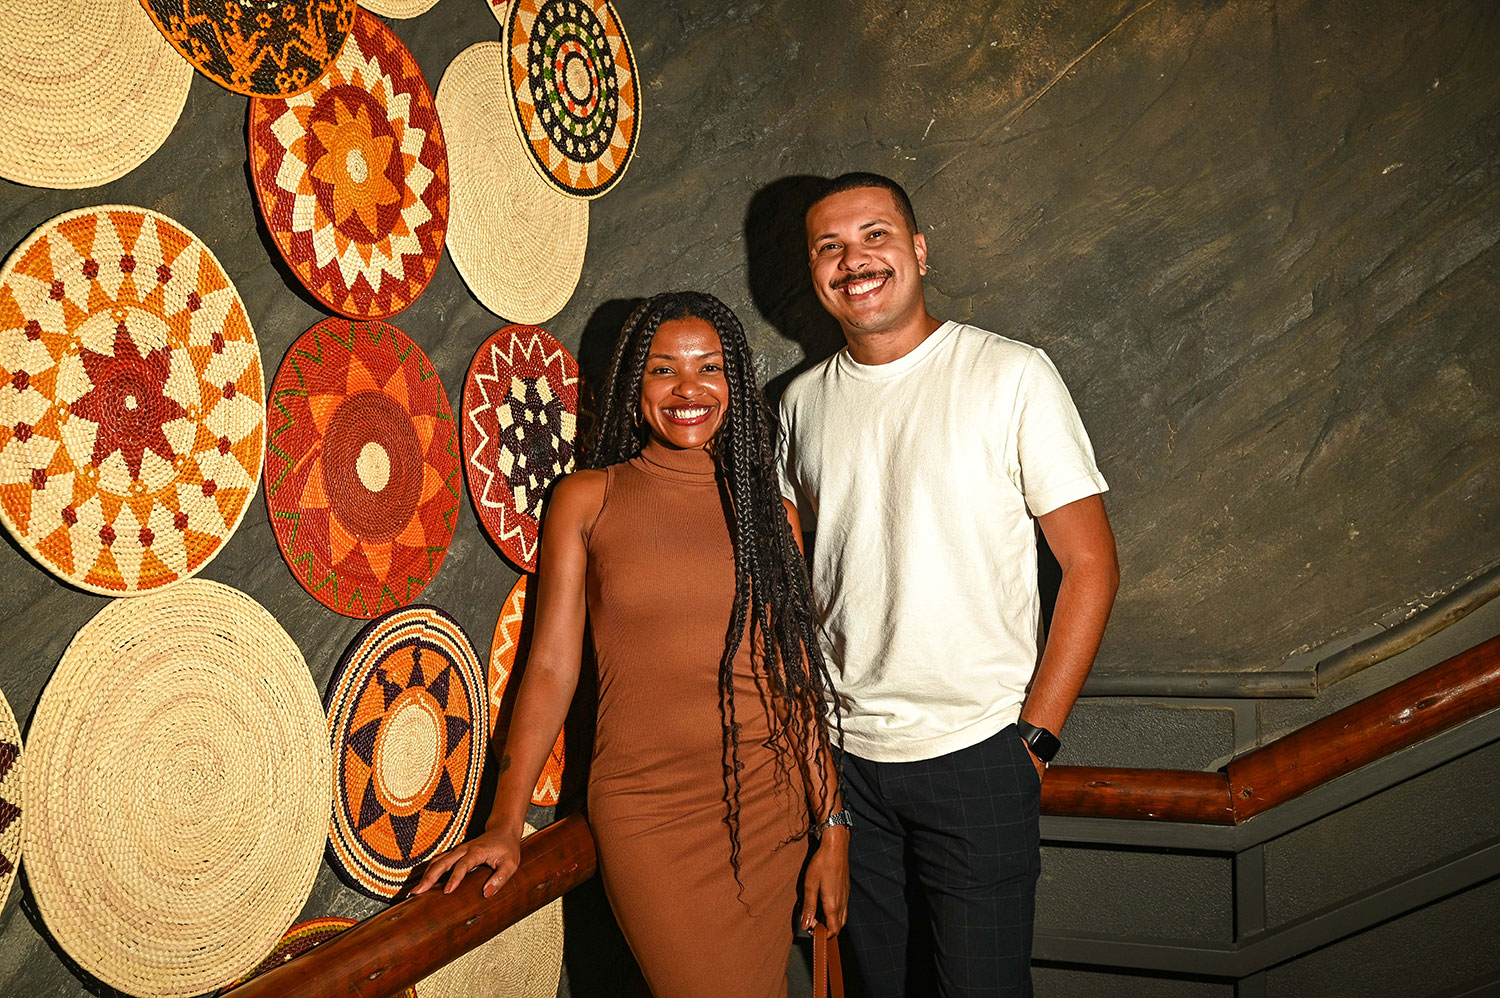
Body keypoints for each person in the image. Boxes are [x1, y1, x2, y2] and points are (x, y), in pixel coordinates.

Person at [414, 291, 851, 998]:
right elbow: (550, 666)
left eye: (709, 368)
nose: (688, 389)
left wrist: (832, 825)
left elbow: (793, 679)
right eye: (663, 370)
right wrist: (504, 821)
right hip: (647, 812)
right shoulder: (588, 499)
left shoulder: (771, 516)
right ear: (633, 386)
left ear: (734, 384)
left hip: (772, 802)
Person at [777, 172, 1120, 997]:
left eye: (875, 236)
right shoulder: (799, 403)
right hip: (848, 762)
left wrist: (1035, 741)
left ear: (920, 250)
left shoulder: (1011, 374)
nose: (854, 260)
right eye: (830, 247)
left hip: (978, 754)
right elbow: (791, 589)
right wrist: (818, 756)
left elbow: (1092, 565)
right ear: (813, 272)